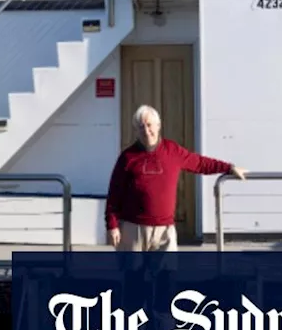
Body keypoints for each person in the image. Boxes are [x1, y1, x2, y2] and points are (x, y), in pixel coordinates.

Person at [105, 104, 247, 251]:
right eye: (141, 127)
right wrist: (112, 225)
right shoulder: (127, 157)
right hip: (132, 229)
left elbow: (200, 163)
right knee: (132, 274)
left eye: (149, 125)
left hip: (165, 231)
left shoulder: (173, 151)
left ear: (158, 125)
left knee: (168, 274)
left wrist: (229, 168)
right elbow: (114, 194)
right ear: (136, 130)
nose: (146, 131)